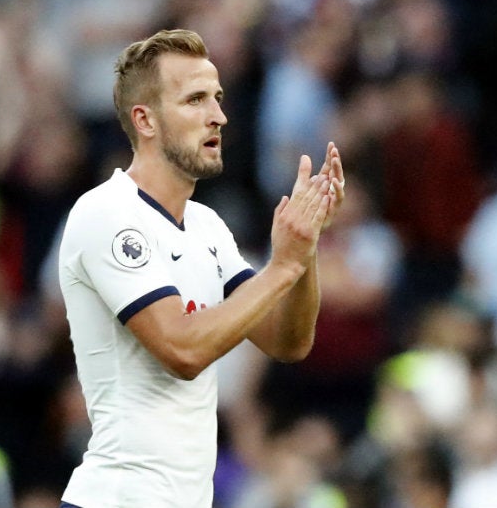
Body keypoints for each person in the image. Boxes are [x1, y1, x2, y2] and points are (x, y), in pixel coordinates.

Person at [56, 28, 345, 507]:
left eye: (218, 98)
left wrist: (304, 247)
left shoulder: (207, 226)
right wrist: (280, 268)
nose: (219, 116)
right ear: (145, 120)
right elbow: (182, 349)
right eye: (195, 100)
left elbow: (287, 341)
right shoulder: (106, 212)